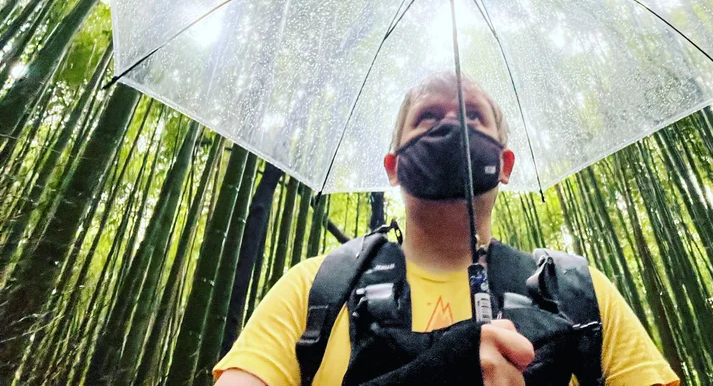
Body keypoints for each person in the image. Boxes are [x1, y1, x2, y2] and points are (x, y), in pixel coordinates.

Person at [214, 72, 680, 386]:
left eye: (472, 115)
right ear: (393, 168)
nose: (452, 125)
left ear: (505, 164)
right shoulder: (316, 286)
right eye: (428, 118)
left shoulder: (576, 292)